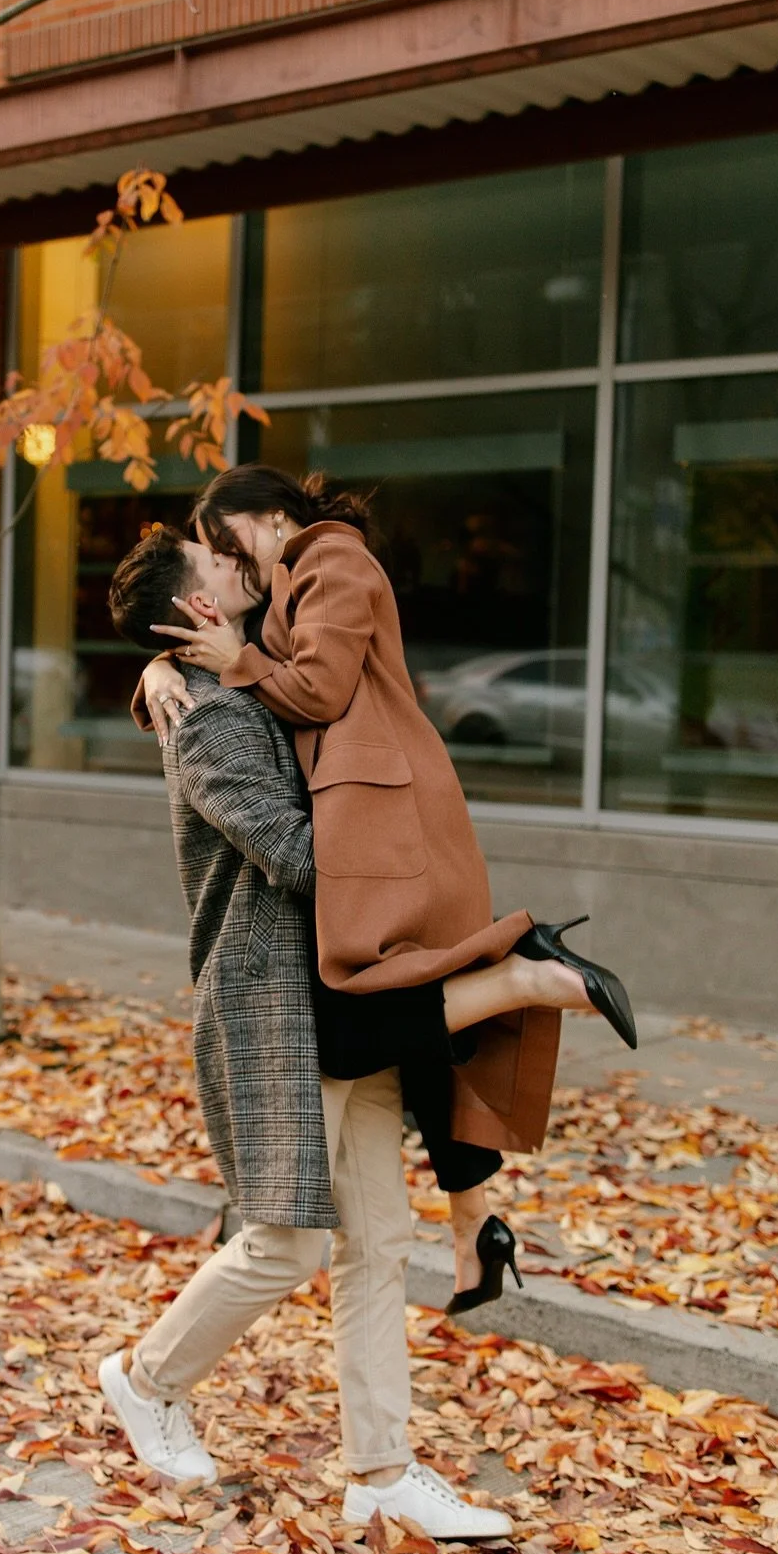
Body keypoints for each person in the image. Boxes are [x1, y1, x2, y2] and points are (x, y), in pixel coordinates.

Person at [99, 523, 513, 1538]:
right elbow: (302, 857)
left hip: (340, 994)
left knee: (378, 1239)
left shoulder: (245, 681)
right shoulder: (210, 720)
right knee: (286, 1240)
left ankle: (381, 1472)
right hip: (272, 1004)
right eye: (218, 565)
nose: (242, 566)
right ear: (197, 610)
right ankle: (145, 1376)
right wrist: (417, 873)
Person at [143, 465, 636, 1315]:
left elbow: (318, 687)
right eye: (216, 561)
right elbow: (211, 649)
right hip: (370, 823)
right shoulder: (283, 589)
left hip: (380, 828)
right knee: (409, 1020)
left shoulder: (331, 562)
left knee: (367, 1021)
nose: (233, 565)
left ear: (265, 517)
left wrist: (230, 657)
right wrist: (157, 665)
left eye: (230, 543)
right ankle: (474, 1218)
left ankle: (525, 975)